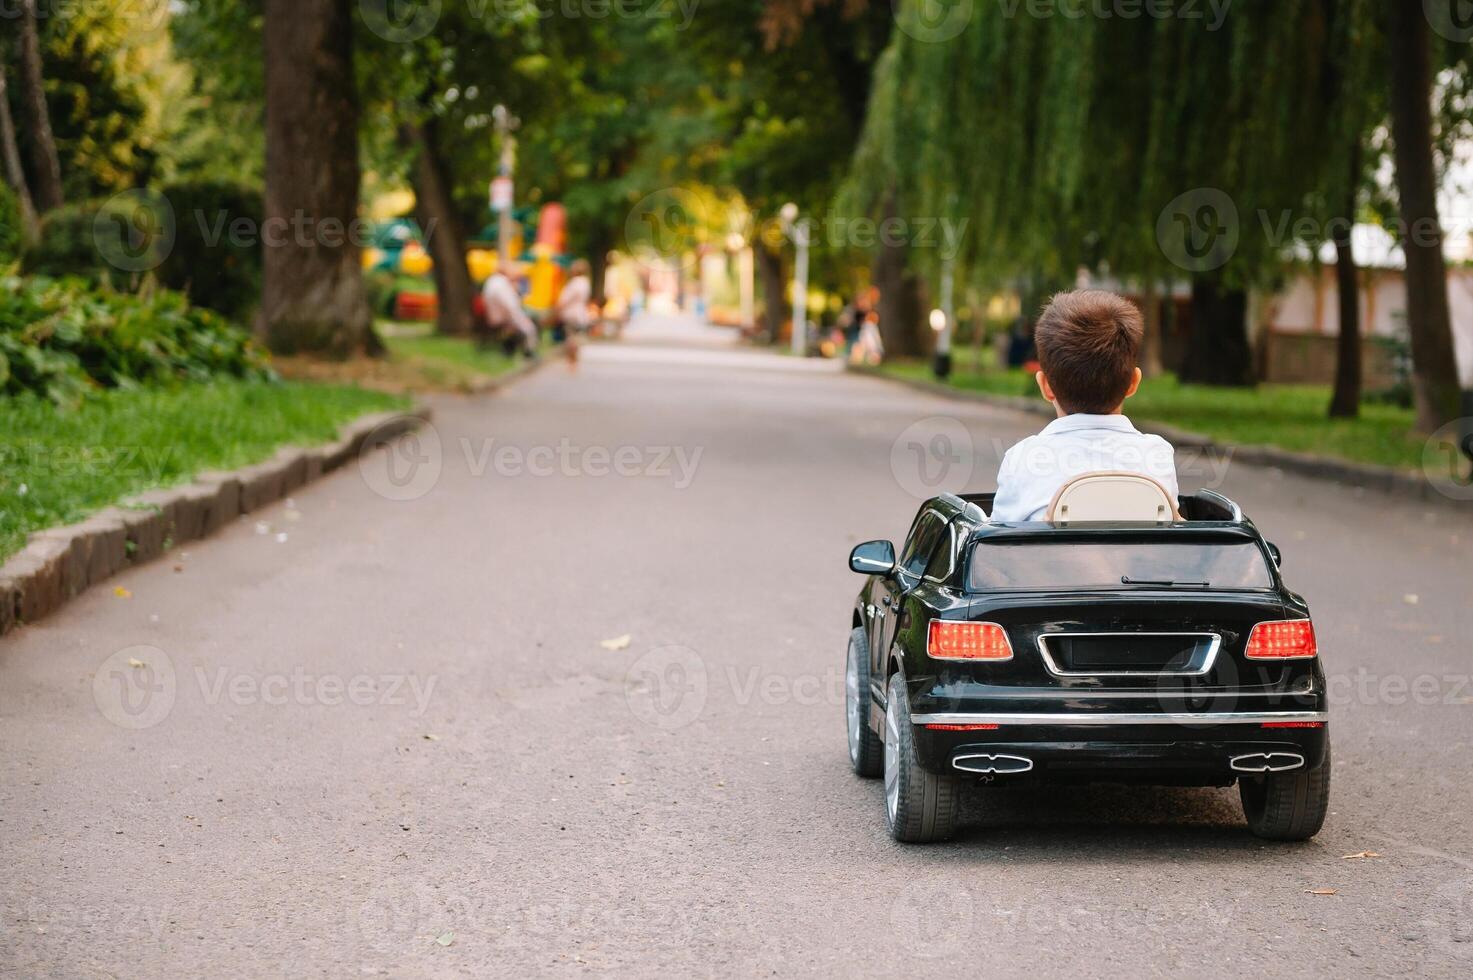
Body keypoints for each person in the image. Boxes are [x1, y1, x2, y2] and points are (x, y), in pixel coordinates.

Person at [990, 290, 1178, 522]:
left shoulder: (1022, 459)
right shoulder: (1157, 454)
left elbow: (998, 543)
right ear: (1133, 383)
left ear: (1045, 386)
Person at [480, 269, 539, 357]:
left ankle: (516, 349)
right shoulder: (502, 284)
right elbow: (511, 307)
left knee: (526, 321)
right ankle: (528, 351)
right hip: (501, 317)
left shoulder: (493, 281)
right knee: (529, 326)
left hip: (494, 316)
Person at [554, 259, 594, 370]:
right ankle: (574, 361)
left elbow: (565, 300)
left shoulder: (575, 283)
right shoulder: (586, 283)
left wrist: (557, 309)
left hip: (571, 314)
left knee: (570, 338)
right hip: (580, 313)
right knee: (575, 337)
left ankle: (571, 361)